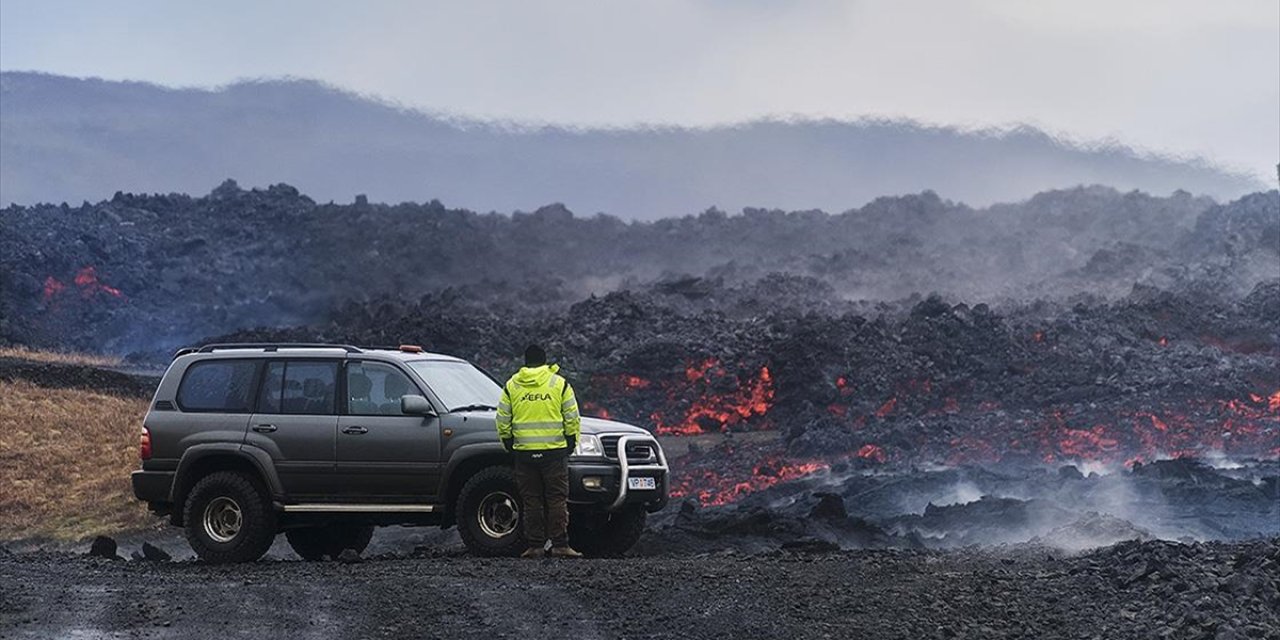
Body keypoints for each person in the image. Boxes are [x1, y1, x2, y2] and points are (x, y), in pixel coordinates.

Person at [495, 344, 584, 558]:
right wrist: (571, 442)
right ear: (545, 362)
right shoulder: (559, 384)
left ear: (525, 362)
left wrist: (508, 443)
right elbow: (572, 417)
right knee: (556, 498)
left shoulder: (512, 385)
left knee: (531, 500)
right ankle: (560, 545)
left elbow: (502, 419)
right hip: (554, 452)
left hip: (524, 453)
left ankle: (535, 546)